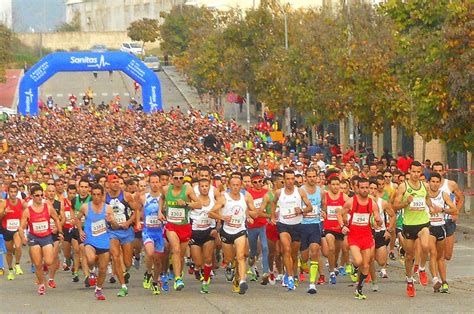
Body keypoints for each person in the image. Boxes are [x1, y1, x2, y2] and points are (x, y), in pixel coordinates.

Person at [209, 175, 257, 295]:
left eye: (237, 185)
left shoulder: (245, 197)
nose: (235, 187)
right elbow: (210, 213)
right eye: (233, 185)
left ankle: (241, 281)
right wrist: (222, 217)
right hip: (227, 232)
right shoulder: (223, 198)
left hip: (240, 230)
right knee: (230, 258)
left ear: (241, 186)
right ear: (229, 186)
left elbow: (255, 212)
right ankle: (230, 266)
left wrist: (248, 214)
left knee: (241, 256)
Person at [394, 161, 434, 297]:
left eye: (418, 172)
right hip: (409, 224)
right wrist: (406, 202)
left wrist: (431, 207)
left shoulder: (425, 185)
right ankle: (410, 280)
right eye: (414, 172)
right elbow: (395, 206)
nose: (416, 174)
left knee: (425, 245)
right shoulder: (403, 187)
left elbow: (427, 198)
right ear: (409, 171)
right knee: (409, 256)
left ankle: (421, 269)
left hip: (423, 222)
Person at [338, 177, 382, 300]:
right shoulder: (351, 202)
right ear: (357, 188)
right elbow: (339, 214)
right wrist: (342, 226)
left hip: (367, 236)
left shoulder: (372, 203)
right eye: (362, 187)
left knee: (366, 265)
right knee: (358, 261)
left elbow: (377, 217)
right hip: (354, 236)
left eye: (366, 187)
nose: (365, 190)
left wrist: (378, 221)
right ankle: (353, 266)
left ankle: (359, 289)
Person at [271, 169, 313, 291]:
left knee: (294, 255)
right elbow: (273, 203)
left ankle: (290, 273)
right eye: (287, 179)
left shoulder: (300, 192)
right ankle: (289, 278)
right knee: (286, 250)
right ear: (283, 180)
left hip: (297, 225)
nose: (290, 181)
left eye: (292, 179)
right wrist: (273, 216)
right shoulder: (279, 192)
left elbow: (309, 207)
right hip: (283, 224)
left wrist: (302, 210)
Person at [18, 185, 63, 295]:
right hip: (34, 238)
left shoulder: (48, 207)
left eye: (41, 195)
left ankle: (44, 273)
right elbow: (21, 227)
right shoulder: (28, 211)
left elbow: (57, 219)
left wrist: (59, 231)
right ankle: (42, 284)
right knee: (37, 264)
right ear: (32, 196)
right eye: (37, 195)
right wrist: (23, 237)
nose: (39, 197)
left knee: (48, 261)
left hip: (47, 237)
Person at [161, 168, 201, 291]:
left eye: (181, 178)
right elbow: (161, 199)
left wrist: (186, 204)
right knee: (176, 250)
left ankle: (177, 273)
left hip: (184, 226)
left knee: (181, 255)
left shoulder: (187, 189)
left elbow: (199, 204)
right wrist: (159, 212)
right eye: (176, 178)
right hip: (171, 226)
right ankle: (178, 279)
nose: (178, 180)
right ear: (172, 179)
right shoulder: (166, 189)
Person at [76, 184, 119, 300]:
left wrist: (111, 221)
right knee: (90, 258)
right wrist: (80, 230)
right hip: (90, 239)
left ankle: (98, 289)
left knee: (103, 269)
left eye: (98, 194)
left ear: (102, 195)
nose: (96, 197)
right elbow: (77, 218)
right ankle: (91, 270)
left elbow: (115, 226)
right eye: (94, 194)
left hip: (103, 240)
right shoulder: (85, 207)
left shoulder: (108, 208)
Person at [105, 174, 138, 297]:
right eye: (113, 182)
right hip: (112, 231)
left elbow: (137, 210)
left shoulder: (126, 195)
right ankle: (123, 286)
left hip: (126, 231)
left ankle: (125, 271)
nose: (116, 184)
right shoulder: (104, 197)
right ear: (108, 184)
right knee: (115, 255)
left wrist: (129, 222)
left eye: (117, 181)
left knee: (128, 262)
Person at [427, 172, 458, 293]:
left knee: (440, 256)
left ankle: (444, 281)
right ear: (429, 182)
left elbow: (454, 209)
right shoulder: (425, 195)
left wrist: (443, 209)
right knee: (433, 253)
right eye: (432, 181)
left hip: (440, 226)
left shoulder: (444, 194)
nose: (434, 184)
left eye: (437, 182)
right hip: (428, 227)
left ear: (440, 183)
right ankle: (435, 280)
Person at [136, 172, 165, 295]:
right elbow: (138, 209)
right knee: (150, 252)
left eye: (156, 182)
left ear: (160, 183)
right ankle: (148, 272)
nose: (154, 184)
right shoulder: (144, 197)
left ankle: (154, 280)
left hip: (160, 232)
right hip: (148, 231)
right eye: (152, 182)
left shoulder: (164, 197)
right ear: (149, 183)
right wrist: (138, 221)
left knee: (158, 260)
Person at [431, 162, 464, 262]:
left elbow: (461, 198)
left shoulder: (450, 184)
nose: (438, 172)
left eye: (440, 170)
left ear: (444, 172)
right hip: (433, 221)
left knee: (448, 255)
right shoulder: (429, 185)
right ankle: (436, 275)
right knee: (435, 253)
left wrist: (455, 212)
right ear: (432, 171)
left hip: (448, 221)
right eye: (435, 171)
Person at [321, 171, 349, 285]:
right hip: (328, 228)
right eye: (333, 184)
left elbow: (349, 211)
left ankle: (334, 265)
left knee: (337, 251)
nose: (336, 187)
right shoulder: (325, 196)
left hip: (340, 228)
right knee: (331, 248)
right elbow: (321, 208)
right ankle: (332, 272)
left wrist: (345, 217)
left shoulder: (345, 197)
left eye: (338, 184)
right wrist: (322, 213)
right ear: (329, 185)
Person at [189, 178, 216, 293]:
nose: (204, 188)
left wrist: (216, 228)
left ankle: (205, 282)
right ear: (198, 188)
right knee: (199, 262)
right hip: (195, 233)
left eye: (206, 186)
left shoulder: (214, 200)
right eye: (202, 186)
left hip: (208, 231)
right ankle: (196, 268)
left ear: (209, 187)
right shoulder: (194, 200)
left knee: (208, 258)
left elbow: (218, 213)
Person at [300, 167, 324, 294]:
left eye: (314, 176)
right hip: (302, 225)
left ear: (317, 177)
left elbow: (323, 206)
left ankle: (312, 283)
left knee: (314, 251)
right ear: (305, 177)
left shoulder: (321, 191)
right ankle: (302, 263)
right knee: (304, 256)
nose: (312, 178)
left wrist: (323, 213)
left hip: (315, 225)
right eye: (309, 176)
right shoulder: (300, 191)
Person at [246, 172, 270, 284]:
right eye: (255, 182)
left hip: (263, 225)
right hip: (252, 226)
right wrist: (250, 215)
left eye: (260, 181)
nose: (258, 184)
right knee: (253, 252)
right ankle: (251, 263)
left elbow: (271, 207)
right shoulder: (248, 194)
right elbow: (245, 209)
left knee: (265, 247)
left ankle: (265, 272)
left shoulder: (267, 193)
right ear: (251, 183)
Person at [0, 184, 26, 280]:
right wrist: (4, 212)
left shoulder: (21, 202)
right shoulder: (4, 203)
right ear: (8, 192)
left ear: (17, 192)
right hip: (7, 229)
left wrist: (24, 224)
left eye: (15, 192)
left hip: (17, 229)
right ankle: (10, 270)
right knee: (9, 251)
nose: (13, 194)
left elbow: (27, 213)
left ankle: (17, 264)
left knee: (18, 246)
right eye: (11, 192)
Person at [44, 184, 65, 288]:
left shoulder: (59, 204)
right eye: (49, 191)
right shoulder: (42, 204)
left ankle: (51, 279)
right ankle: (42, 272)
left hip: (55, 232)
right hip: (44, 232)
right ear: (46, 193)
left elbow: (63, 218)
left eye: (53, 191)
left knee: (54, 256)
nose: (51, 193)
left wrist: (58, 228)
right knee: (45, 257)